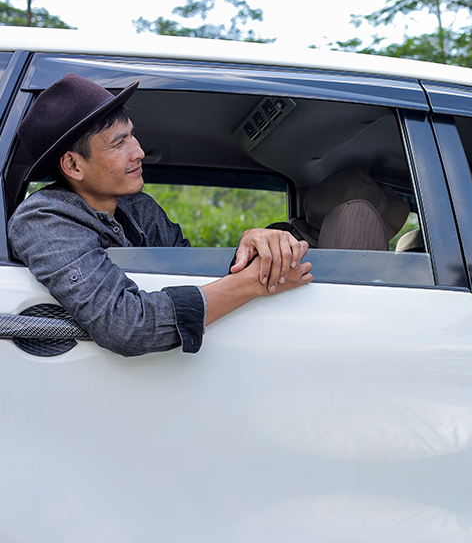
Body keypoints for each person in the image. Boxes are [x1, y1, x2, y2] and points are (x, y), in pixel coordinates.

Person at [8, 73, 313, 357]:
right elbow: (125, 325)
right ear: (73, 166)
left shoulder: (138, 206)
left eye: (132, 136)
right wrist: (257, 282)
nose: (138, 152)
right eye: (119, 143)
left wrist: (252, 244)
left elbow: (192, 274)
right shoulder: (43, 219)